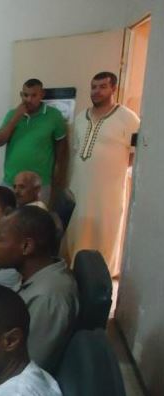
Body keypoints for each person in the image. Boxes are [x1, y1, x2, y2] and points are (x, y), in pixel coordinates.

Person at [66, 71, 140, 276]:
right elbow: (77, 150)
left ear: (113, 89)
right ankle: (76, 270)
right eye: (94, 87)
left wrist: (110, 169)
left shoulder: (128, 118)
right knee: (78, 228)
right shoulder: (81, 117)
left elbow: (136, 155)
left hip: (108, 192)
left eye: (102, 87)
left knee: (105, 231)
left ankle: (102, 275)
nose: (96, 91)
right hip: (80, 188)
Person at [0, 205, 79, 371]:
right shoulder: (37, 274)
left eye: (0, 239)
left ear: (26, 247)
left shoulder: (48, 298)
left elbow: (27, 367)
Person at [0, 78, 68, 204]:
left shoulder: (54, 115)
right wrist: (16, 117)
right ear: (21, 95)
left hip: (40, 184)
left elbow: (61, 146)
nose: (29, 99)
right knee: (8, 215)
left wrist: (58, 174)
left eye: (34, 95)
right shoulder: (12, 114)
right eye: (26, 95)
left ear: (42, 95)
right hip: (11, 182)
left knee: (37, 216)